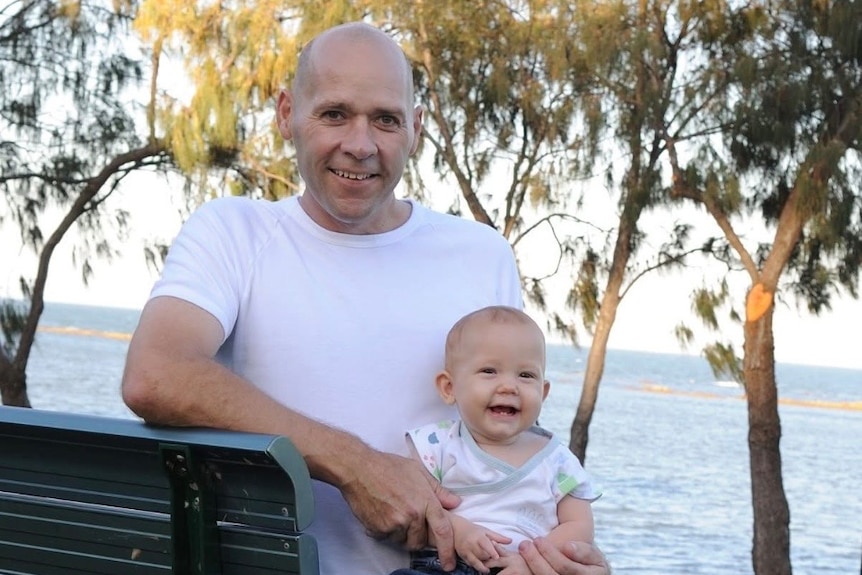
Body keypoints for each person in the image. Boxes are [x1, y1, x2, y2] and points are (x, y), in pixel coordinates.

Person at [121, 21, 610, 575]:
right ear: (286, 114)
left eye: (385, 119)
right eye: (334, 114)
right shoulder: (234, 231)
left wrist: (561, 556)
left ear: (416, 128)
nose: (360, 143)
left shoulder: (481, 253)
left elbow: (513, 450)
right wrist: (355, 467)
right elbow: (155, 375)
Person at [391, 306, 600, 575]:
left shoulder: (557, 460)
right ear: (449, 387)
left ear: (543, 393)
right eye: (489, 371)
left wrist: (531, 561)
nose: (508, 386)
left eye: (526, 375)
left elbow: (579, 527)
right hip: (444, 566)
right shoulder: (436, 445)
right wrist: (459, 531)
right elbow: (412, 508)